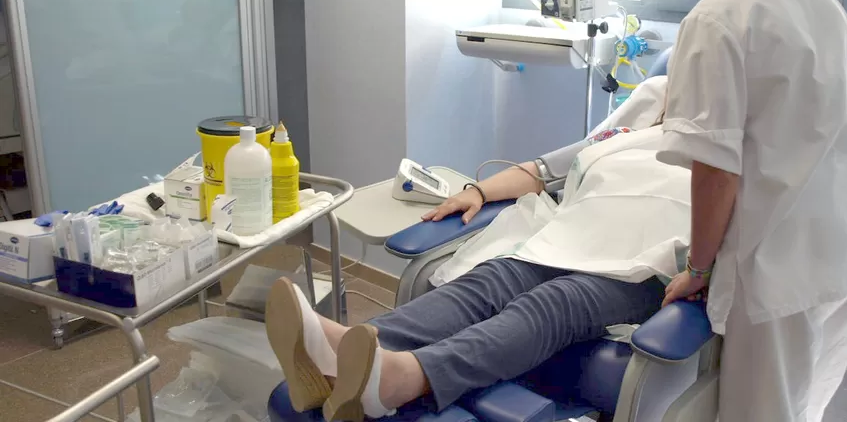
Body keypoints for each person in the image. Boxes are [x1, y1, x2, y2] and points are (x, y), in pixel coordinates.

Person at [265, 81, 695, 422]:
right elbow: (545, 170)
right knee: (485, 283)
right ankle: (337, 360)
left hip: (649, 262)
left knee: (556, 302)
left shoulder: (740, 147)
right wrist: (479, 191)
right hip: (572, 234)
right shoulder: (640, 119)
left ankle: (403, 379)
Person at [639, 0, 847, 421]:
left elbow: (715, 170)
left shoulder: (715, 18)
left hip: (778, 264)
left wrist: (697, 268)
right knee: (806, 406)